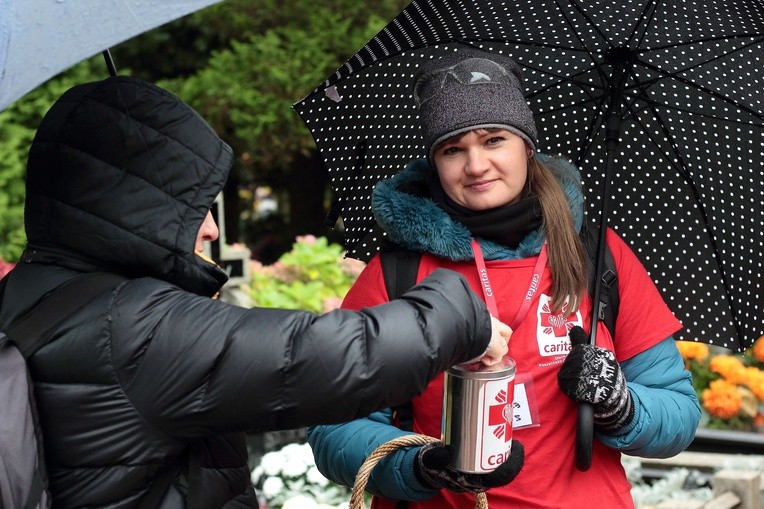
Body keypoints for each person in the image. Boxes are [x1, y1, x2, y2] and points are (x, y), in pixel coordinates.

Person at [0, 75, 514, 508]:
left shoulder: (30, 292)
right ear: (130, 206)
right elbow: (311, 357)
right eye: (193, 207)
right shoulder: (130, 325)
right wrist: (456, 309)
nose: (211, 230)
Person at [307, 45, 701, 508]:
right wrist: (420, 466)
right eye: (453, 149)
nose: (476, 166)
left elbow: (678, 411)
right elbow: (333, 426)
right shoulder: (397, 272)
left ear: (527, 146)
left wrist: (621, 405)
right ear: (434, 161)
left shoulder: (597, 255)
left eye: (494, 139)